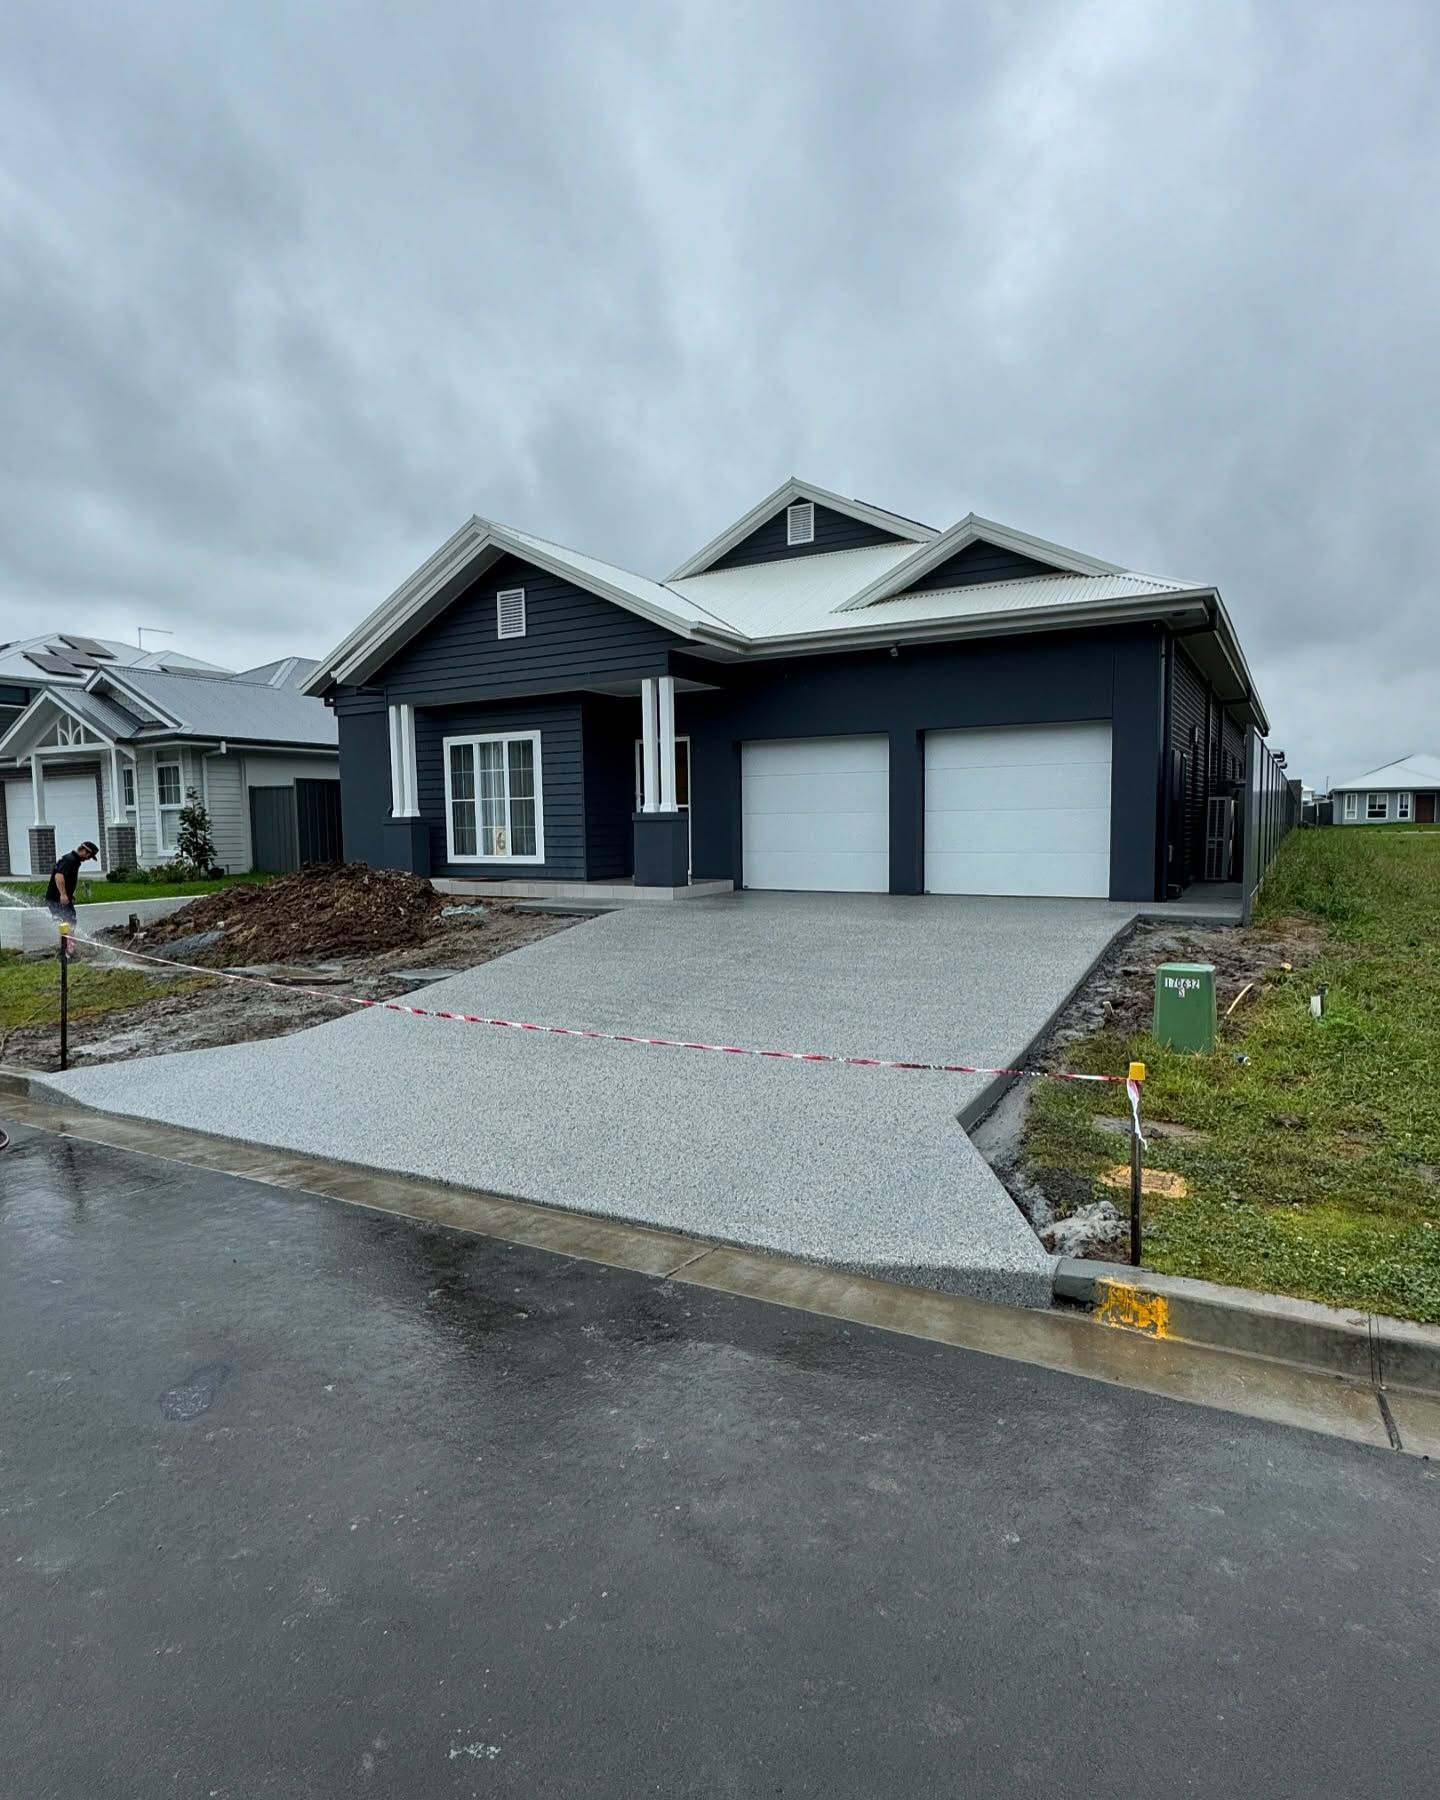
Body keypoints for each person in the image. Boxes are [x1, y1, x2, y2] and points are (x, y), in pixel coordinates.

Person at [46, 840, 99, 954]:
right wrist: (63, 895)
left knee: (69, 921)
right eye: (89, 856)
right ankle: (66, 950)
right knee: (67, 922)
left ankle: (67, 947)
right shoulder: (70, 860)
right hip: (56, 899)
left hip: (61, 897)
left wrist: (69, 893)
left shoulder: (73, 860)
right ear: (84, 851)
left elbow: (66, 877)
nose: (88, 858)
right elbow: (59, 876)